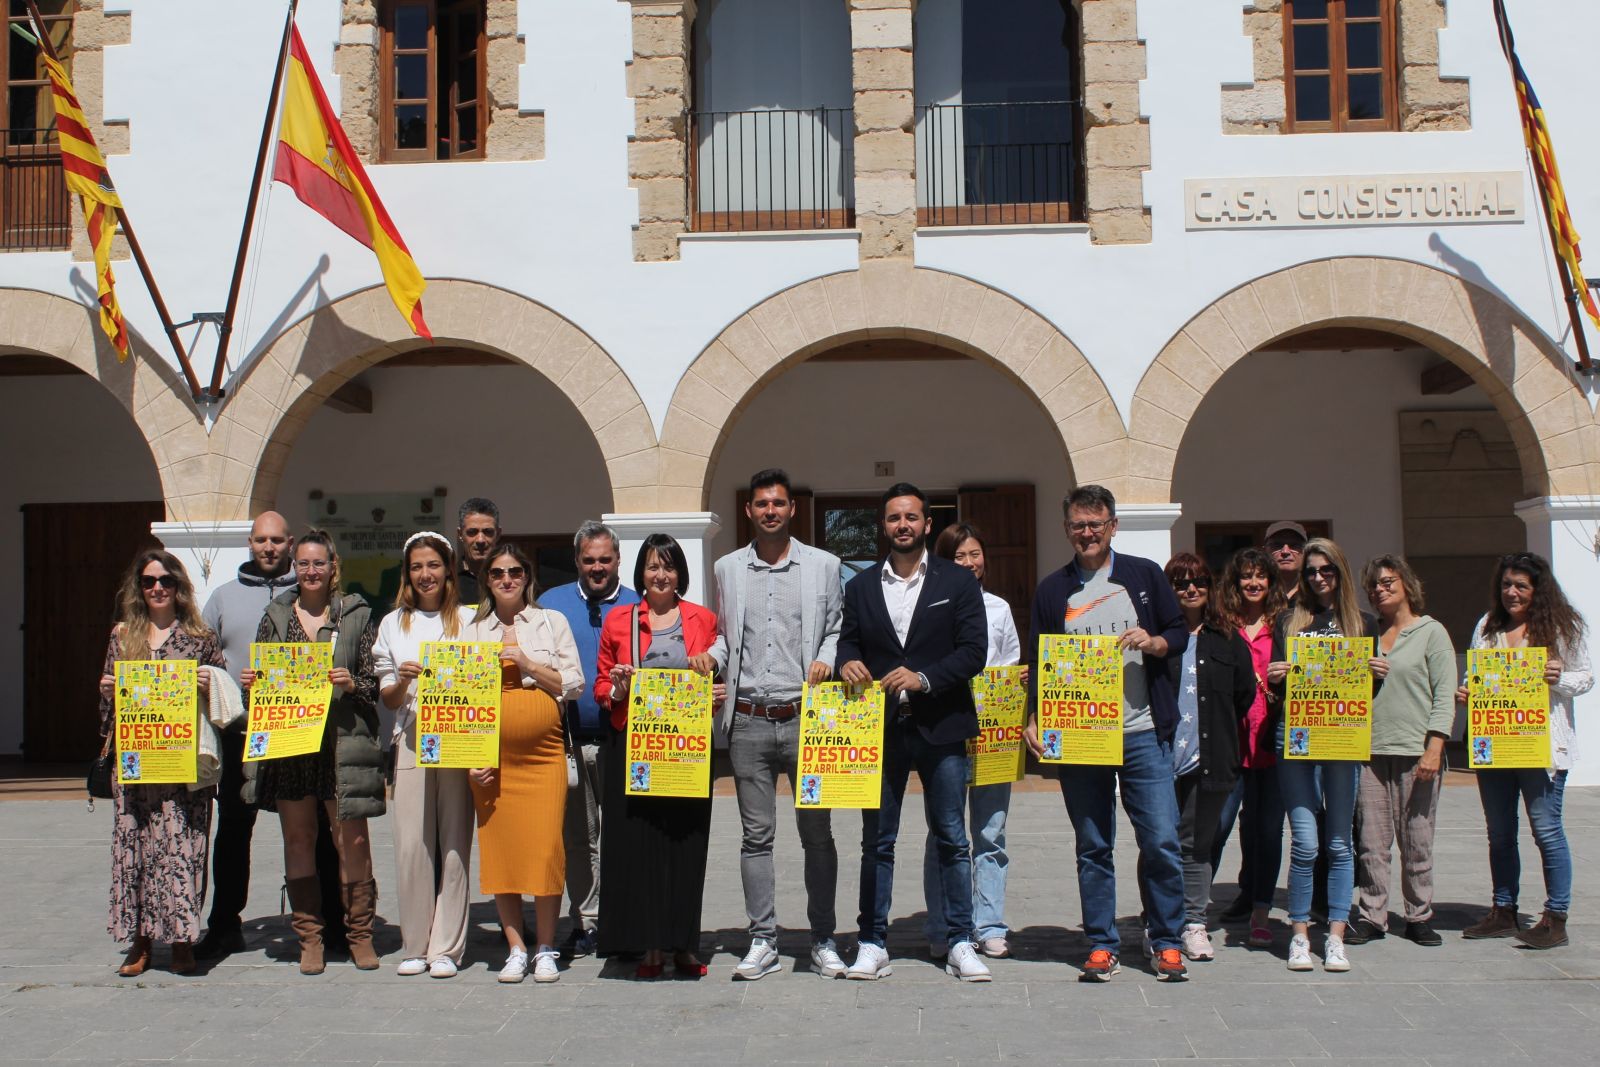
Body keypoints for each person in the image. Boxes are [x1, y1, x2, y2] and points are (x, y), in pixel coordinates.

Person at [1024, 485, 1189, 983]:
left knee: (1160, 839)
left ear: (1113, 526)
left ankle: (1166, 941)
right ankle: (1100, 942)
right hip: (1081, 735)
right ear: (1067, 529)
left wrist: (1155, 641)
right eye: (1079, 524)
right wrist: (1034, 716)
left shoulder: (1143, 575)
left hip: (1141, 732)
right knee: (1093, 844)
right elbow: (1040, 659)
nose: (1088, 532)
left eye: (1097, 523)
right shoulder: (1053, 590)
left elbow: (1179, 632)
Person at [839, 483, 992, 983]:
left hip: (942, 725)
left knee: (952, 837)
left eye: (911, 517)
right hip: (880, 730)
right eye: (892, 518)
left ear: (927, 524)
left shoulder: (957, 581)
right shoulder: (860, 586)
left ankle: (961, 940)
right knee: (876, 842)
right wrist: (848, 664)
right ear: (882, 526)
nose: (902, 525)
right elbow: (847, 644)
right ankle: (872, 941)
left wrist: (924, 679)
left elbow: (973, 651)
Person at [707, 470, 846, 980]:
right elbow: (726, 636)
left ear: (793, 510)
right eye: (762, 504)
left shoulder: (824, 566)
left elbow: (836, 627)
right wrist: (708, 656)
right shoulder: (726, 568)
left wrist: (828, 658)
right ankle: (762, 939)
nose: (770, 511)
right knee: (755, 837)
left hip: (808, 721)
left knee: (818, 835)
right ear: (749, 510)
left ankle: (823, 939)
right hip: (748, 721)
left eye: (779, 503)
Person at [240, 530, 384, 974]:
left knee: (352, 841)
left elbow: (373, 684)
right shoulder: (276, 615)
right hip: (291, 746)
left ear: (332, 565)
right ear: (294, 568)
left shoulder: (356, 614)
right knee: (299, 838)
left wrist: (349, 683)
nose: (311, 571)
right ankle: (310, 938)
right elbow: (262, 688)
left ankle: (360, 935)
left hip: (340, 744)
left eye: (318, 563)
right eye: (303, 563)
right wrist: (253, 685)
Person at [196, 512, 339, 959]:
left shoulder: (312, 594)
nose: (269, 547)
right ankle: (224, 924)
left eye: (278, 540)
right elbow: (202, 655)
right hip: (242, 731)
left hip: (300, 728)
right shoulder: (221, 598)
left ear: (291, 543)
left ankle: (328, 923)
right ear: (250, 543)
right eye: (262, 540)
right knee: (235, 830)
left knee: (312, 829)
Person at [594, 534, 720, 978]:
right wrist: (618, 686)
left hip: (686, 746)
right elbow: (601, 688)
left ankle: (684, 944)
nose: (660, 575)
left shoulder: (703, 619)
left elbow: (713, 676)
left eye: (668, 566)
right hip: (637, 744)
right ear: (640, 573)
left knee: (687, 842)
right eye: (651, 566)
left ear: (680, 573)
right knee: (644, 846)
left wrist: (716, 692)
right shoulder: (618, 620)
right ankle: (649, 946)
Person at [97, 549, 228, 977]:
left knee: (183, 849)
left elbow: (223, 701)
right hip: (135, 764)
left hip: (183, 764)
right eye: (149, 581)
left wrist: (211, 682)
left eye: (166, 581)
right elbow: (108, 713)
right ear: (139, 588)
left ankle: (183, 940)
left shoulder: (199, 636)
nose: (157, 588)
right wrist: (107, 692)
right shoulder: (122, 637)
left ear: (179, 587)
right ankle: (140, 942)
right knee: (136, 850)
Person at [1458, 552, 1593, 948]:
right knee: (1499, 832)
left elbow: (1585, 677)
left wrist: (1560, 677)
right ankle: (1504, 909)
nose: (1512, 593)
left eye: (1521, 586)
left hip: (1543, 747)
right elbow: (1476, 674)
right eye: (1506, 585)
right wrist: (1469, 691)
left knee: (1547, 831)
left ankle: (1556, 917)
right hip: (1496, 744)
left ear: (1538, 590)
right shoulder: (1487, 626)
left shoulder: (1561, 626)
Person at [465, 542, 585, 983]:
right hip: (492, 758)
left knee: (546, 849)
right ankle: (516, 947)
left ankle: (547, 946)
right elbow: (460, 700)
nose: (507, 580)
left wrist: (529, 663)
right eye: (497, 573)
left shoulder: (551, 622)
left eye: (515, 571)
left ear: (527, 576)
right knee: (502, 852)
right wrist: (469, 761)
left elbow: (573, 684)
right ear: (487, 580)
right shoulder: (472, 629)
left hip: (543, 756)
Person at [1265, 537, 1380, 973]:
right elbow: (1277, 682)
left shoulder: (1361, 623)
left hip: (1342, 739)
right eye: (1311, 571)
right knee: (1306, 843)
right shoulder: (1289, 620)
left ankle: (1335, 936)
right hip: (1295, 737)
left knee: (1339, 842)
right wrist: (1277, 674)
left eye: (1325, 569)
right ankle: (1298, 934)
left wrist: (1377, 675)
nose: (1317, 577)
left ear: (1340, 572)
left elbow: (1366, 693)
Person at [373, 531, 477, 977]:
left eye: (433, 565)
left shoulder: (471, 620)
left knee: (454, 842)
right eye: (416, 566)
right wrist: (403, 679)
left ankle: (447, 947)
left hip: (458, 739)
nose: (425, 574)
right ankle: (415, 943)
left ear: (448, 569)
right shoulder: (393, 624)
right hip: (412, 738)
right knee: (412, 844)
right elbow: (389, 699)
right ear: (407, 573)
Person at [920, 522, 1022, 962]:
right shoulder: (930, 605)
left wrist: (1018, 678)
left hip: (994, 730)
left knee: (990, 831)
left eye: (975, 554)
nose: (969, 563)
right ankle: (942, 924)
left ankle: (990, 923)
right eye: (959, 556)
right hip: (946, 726)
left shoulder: (999, 607)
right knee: (944, 832)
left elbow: (1012, 658)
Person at [539, 521, 640, 957]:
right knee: (579, 837)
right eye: (588, 560)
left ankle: (627, 917)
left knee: (624, 834)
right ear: (576, 561)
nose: (597, 567)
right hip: (570, 738)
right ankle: (586, 922)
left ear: (618, 560)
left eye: (605, 559)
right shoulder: (551, 604)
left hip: (626, 737)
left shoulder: (639, 605)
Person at [1345, 555, 1456, 949]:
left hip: (1416, 749)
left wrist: (1435, 745)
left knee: (1417, 838)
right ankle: (1373, 915)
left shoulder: (1431, 632)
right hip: (1369, 750)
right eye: (1373, 584)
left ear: (1406, 584)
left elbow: (1445, 695)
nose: (1379, 590)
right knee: (1372, 842)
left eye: (1387, 581)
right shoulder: (1364, 632)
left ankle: (1418, 915)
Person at [1163, 553, 1255, 961]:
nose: (1191, 589)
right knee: (1161, 843)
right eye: (1181, 583)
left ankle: (1194, 922)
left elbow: (1243, 695)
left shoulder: (1228, 639)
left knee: (1198, 844)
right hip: (1162, 757)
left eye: (1199, 581)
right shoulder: (1158, 639)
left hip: (1211, 755)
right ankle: (1160, 920)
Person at [1211, 548, 1288, 947]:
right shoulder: (1223, 624)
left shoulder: (1286, 625)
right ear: (1235, 582)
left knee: (1267, 830)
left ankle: (1260, 908)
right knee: (1216, 826)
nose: (1254, 583)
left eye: (1261, 576)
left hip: (1272, 742)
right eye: (1246, 576)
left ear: (1271, 583)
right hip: (1231, 742)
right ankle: (1188, 909)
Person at [454, 497, 501, 606]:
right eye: (472, 532)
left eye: (488, 532)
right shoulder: (447, 581)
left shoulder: (510, 580)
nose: (480, 540)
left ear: (498, 534)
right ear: (460, 534)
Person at [1263, 521, 1307, 605]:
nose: (1285, 551)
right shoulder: (1256, 593)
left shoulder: (1316, 592)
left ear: (1306, 551)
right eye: (1277, 545)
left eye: (1294, 545)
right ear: (1265, 550)